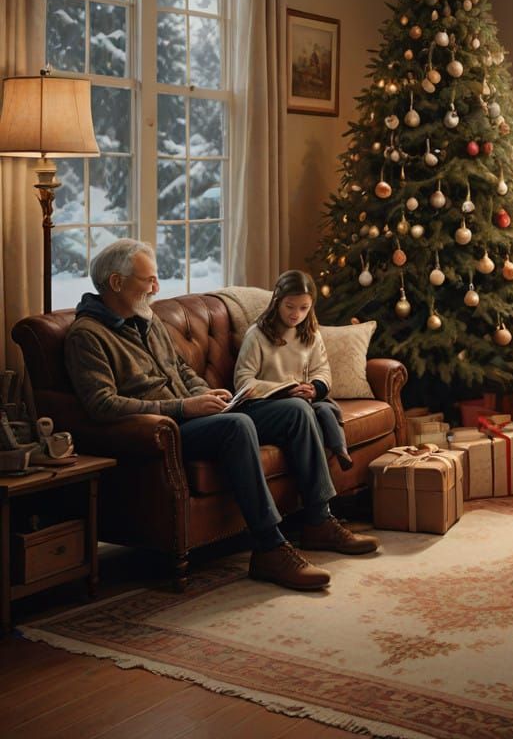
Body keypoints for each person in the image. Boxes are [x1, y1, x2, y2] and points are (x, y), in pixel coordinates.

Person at [64, 239, 378, 592]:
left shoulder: (146, 321)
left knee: (296, 410)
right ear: (116, 282)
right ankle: (269, 547)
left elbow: (181, 371)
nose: (156, 288)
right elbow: (102, 405)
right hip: (168, 428)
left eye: (155, 279)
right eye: (147, 280)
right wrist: (184, 407)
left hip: (196, 412)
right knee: (238, 425)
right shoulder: (86, 336)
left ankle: (319, 520)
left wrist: (204, 393)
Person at [235, 270, 354, 472]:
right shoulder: (257, 335)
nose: (295, 314)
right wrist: (283, 389)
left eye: (303, 308)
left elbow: (321, 369)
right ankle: (321, 494)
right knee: (307, 412)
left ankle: (339, 450)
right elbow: (243, 380)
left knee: (326, 409)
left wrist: (315, 388)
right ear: (277, 301)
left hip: (303, 402)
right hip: (268, 405)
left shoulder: (311, 333)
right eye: (289, 307)